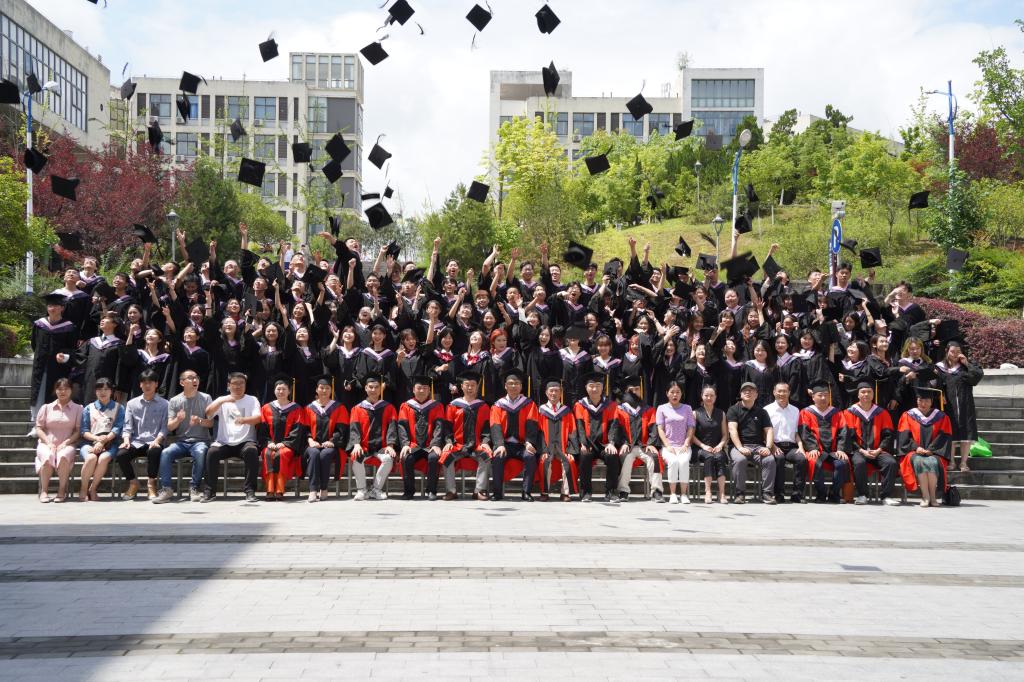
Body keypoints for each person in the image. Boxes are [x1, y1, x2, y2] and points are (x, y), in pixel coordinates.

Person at [203, 372, 262, 503]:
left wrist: (244, 420)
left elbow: (258, 418)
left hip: (245, 441)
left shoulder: (252, 399)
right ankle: (209, 491)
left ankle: (250, 491)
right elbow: (208, 414)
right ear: (228, 385)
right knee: (212, 452)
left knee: (251, 451)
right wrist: (221, 401)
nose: (238, 386)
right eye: (235, 383)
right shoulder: (222, 400)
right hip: (224, 442)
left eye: (241, 383)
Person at [155, 370, 213, 503]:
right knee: (165, 452)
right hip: (181, 441)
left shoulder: (206, 398)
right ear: (182, 382)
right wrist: (178, 420)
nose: (195, 380)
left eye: (196, 377)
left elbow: (211, 423)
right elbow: (170, 427)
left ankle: (194, 487)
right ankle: (166, 489)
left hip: (200, 440)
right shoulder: (174, 400)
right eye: (190, 378)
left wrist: (199, 421)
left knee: (200, 452)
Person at [116, 369, 169, 500]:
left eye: (150, 382)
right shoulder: (131, 403)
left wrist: (158, 440)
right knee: (121, 454)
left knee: (154, 452)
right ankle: (133, 483)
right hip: (136, 441)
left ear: (156, 384)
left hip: (154, 441)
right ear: (140, 385)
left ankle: (151, 484)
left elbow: (164, 428)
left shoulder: (165, 404)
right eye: (144, 382)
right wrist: (126, 440)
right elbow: (127, 426)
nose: (147, 385)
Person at [843, 381, 900, 506]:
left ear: (873, 394)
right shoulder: (849, 413)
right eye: (863, 392)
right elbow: (848, 437)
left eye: (869, 392)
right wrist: (861, 450)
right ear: (858, 395)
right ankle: (862, 495)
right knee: (859, 462)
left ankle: (886, 496)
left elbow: (888, 435)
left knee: (890, 462)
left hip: (878, 450)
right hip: (859, 451)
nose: (866, 394)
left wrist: (879, 449)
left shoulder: (882, 412)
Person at [489, 369, 540, 501]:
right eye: (510, 383)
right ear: (505, 386)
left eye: (516, 383)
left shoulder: (529, 404)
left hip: (522, 445)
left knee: (530, 456)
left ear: (521, 386)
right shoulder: (498, 405)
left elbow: (532, 424)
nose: (513, 386)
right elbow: (495, 425)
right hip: (505, 444)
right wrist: (499, 444)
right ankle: (497, 493)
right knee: (498, 457)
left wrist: (529, 442)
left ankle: (526, 492)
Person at [898, 386, 953, 507]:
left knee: (932, 462)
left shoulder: (941, 417)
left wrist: (931, 450)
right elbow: (904, 436)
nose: (923, 404)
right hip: (913, 451)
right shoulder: (908, 415)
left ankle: (933, 496)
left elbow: (944, 436)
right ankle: (925, 496)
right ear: (917, 401)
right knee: (920, 461)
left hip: (935, 452)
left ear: (931, 402)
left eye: (927, 401)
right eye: (920, 400)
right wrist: (916, 447)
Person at [933, 341, 983, 473]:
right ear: (947, 351)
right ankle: (951, 461)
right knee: (951, 433)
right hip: (948, 405)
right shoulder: (939, 367)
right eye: (952, 352)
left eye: (958, 352)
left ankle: (963, 462)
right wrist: (941, 394)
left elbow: (977, 378)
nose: (955, 354)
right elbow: (936, 384)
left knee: (966, 433)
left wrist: (967, 363)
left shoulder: (965, 366)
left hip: (965, 404)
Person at [441, 372, 492, 500]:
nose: (470, 388)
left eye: (473, 385)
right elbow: (447, 427)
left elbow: (487, 428)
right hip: (458, 445)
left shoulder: (483, 406)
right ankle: (451, 491)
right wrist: (448, 441)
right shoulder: (453, 405)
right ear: (462, 387)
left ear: (477, 387)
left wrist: (485, 442)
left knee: (486, 456)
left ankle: (479, 491)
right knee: (446, 456)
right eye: (467, 385)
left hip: (477, 445)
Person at [348, 376, 399, 500]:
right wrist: (356, 444)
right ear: (365, 388)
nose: (373, 390)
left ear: (381, 389)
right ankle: (362, 490)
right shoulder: (357, 408)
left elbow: (392, 427)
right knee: (356, 457)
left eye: (376, 387)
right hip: (364, 446)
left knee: (388, 458)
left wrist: (390, 445)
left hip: (382, 446)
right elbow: (354, 428)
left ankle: (376, 489)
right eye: (370, 387)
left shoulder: (389, 407)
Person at [573, 372, 622, 503]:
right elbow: (579, 426)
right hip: (588, 444)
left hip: (604, 444)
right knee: (584, 456)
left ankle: (611, 492)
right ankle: (586, 492)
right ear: (586, 388)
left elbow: (614, 425)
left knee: (612, 456)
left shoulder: (611, 405)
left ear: (603, 387)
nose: (594, 389)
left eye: (598, 385)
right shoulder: (580, 405)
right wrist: (583, 443)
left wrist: (611, 442)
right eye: (591, 386)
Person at [398, 376, 447, 500]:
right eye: (419, 388)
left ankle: (431, 491)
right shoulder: (406, 406)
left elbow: (439, 426)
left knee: (434, 457)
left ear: (429, 390)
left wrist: (436, 444)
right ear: (413, 390)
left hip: (430, 445)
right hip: (413, 445)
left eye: (425, 388)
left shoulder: (436, 406)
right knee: (406, 457)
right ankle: (409, 491)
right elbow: (402, 426)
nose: (422, 390)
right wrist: (405, 444)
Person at [614, 375, 662, 502]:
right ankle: (623, 491)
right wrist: (624, 442)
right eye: (631, 390)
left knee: (654, 457)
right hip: (628, 446)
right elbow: (616, 430)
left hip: (644, 446)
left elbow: (654, 429)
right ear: (626, 392)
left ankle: (656, 491)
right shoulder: (619, 410)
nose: (635, 392)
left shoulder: (649, 409)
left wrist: (651, 443)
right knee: (625, 457)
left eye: (637, 389)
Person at [799, 384, 850, 504]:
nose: (823, 398)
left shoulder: (837, 413)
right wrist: (812, 448)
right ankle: (821, 494)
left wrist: (840, 449)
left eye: (826, 395)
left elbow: (843, 432)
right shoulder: (806, 412)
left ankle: (834, 494)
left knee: (842, 463)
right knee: (815, 462)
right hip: (816, 450)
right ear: (813, 397)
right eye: (820, 395)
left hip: (833, 450)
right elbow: (804, 432)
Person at [34, 378, 82, 503]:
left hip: (68, 443)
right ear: (55, 390)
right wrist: (48, 443)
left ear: (71, 390)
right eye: (59, 389)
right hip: (46, 443)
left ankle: (62, 490)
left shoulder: (78, 409)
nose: (62, 392)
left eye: (66, 389)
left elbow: (78, 431)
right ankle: (44, 491)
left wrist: (65, 443)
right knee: (47, 456)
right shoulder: (46, 408)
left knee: (63, 456)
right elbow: (39, 428)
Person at [726, 382, 775, 504]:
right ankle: (740, 494)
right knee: (740, 460)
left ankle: (767, 493)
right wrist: (740, 447)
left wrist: (768, 447)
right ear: (740, 394)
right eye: (745, 390)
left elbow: (769, 430)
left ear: (756, 395)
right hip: (738, 446)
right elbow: (732, 430)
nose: (748, 392)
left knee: (769, 460)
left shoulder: (762, 412)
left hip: (758, 446)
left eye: (751, 390)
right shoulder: (733, 410)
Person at [259, 379, 306, 500]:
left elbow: (297, 430)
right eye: (278, 389)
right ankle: (270, 490)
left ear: (289, 391)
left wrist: (285, 443)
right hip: (270, 444)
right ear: (274, 391)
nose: (281, 391)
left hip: (288, 445)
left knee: (281, 454)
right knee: (268, 453)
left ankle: (279, 490)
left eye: (284, 389)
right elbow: (262, 429)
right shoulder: (266, 408)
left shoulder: (296, 409)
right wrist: (268, 442)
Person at [78, 377, 124, 501]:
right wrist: (98, 440)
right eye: (99, 389)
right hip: (89, 442)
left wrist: (103, 441)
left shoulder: (119, 408)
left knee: (103, 458)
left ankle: (92, 489)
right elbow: (84, 431)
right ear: (95, 391)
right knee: (91, 458)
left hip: (110, 443)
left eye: (106, 389)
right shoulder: (89, 408)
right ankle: (83, 489)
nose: (103, 392)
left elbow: (117, 429)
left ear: (111, 391)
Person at [304, 377, 349, 502]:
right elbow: (305, 428)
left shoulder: (339, 407)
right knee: (314, 453)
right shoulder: (309, 408)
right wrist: (310, 440)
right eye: (321, 388)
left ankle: (323, 488)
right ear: (316, 390)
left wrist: (332, 441)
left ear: (331, 390)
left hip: (331, 445)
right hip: (312, 444)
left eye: (327, 388)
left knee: (325, 454)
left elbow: (342, 429)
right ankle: (313, 490)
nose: (324, 390)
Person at [764, 382, 807, 504]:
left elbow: (796, 432)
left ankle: (797, 494)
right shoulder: (767, 410)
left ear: (789, 393)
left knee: (801, 459)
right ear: (774, 392)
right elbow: (764, 432)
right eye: (779, 391)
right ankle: (779, 494)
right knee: (779, 458)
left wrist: (801, 446)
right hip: (775, 445)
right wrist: (772, 446)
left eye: (784, 391)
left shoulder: (795, 410)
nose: (782, 394)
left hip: (791, 446)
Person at [655, 380, 696, 504]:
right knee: (673, 462)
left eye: (678, 392)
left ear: (681, 394)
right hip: (668, 446)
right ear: (667, 393)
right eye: (672, 392)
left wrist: (686, 443)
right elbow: (660, 429)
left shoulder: (687, 408)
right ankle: (673, 494)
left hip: (684, 445)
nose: (675, 395)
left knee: (683, 462)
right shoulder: (661, 408)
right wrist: (667, 445)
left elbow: (691, 427)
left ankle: (683, 494)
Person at [536, 379, 577, 501]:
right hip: (547, 448)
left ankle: (565, 493)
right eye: (551, 391)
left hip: (562, 448)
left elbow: (572, 432)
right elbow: (538, 433)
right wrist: (543, 450)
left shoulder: (566, 411)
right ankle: (544, 492)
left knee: (569, 461)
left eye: (556, 391)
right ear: (546, 393)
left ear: (561, 393)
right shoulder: (541, 410)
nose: (553, 393)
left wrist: (570, 450)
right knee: (544, 461)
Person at [690, 385, 729, 504]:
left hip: (717, 447)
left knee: (720, 457)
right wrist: (703, 446)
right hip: (699, 448)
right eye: (706, 395)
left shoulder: (721, 413)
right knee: (709, 457)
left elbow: (725, 434)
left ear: (715, 397)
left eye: (712, 395)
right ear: (702, 396)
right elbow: (691, 435)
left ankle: (722, 493)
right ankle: (708, 492)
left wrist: (720, 445)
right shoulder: (695, 413)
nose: (709, 398)